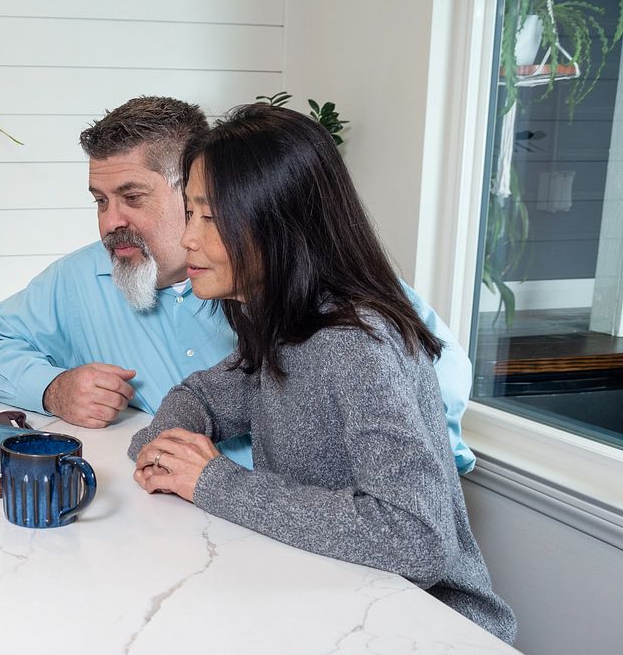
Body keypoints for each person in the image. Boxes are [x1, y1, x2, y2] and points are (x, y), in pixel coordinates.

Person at [128, 105, 516, 642]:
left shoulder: (357, 346)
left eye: (210, 217)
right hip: (332, 602)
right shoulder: (284, 325)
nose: (188, 237)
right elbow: (203, 395)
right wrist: (169, 446)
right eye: (189, 213)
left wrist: (214, 482)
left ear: (281, 226)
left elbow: (418, 537)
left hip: (428, 627)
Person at [0, 96, 476, 473]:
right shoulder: (81, 278)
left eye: (131, 197)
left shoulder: (299, 289)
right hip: (197, 513)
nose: (109, 223)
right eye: (100, 201)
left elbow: (435, 374)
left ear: (195, 187)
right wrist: (54, 389)